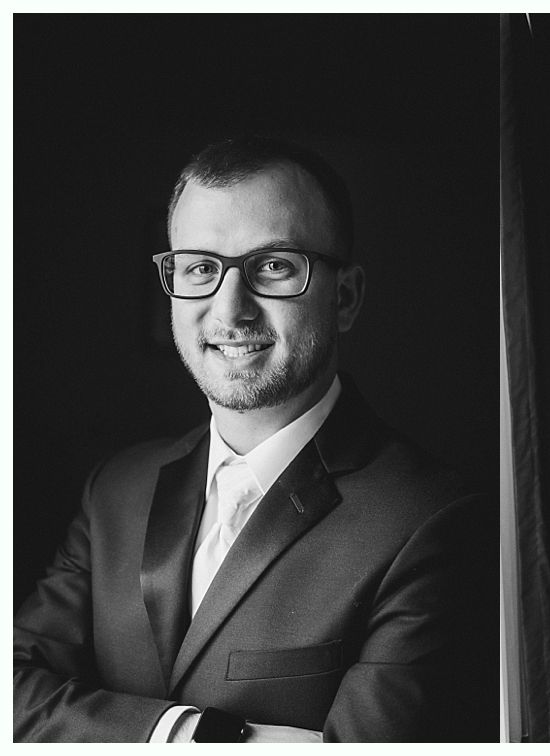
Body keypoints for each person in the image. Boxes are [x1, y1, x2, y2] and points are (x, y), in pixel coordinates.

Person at [14, 136, 491, 742]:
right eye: (199, 268)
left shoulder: (435, 518)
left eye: (273, 266)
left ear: (345, 297)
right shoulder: (115, 488)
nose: (229, 309)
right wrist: (192, 737)